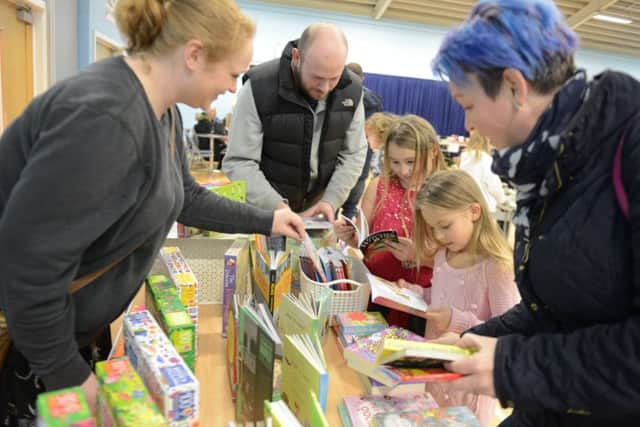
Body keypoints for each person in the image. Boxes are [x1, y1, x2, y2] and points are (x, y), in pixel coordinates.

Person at [0, 0, 305, 423]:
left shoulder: (162, 112)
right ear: (194, 54)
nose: (235, 89)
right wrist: (70, 377)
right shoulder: (104, 119)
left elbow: (188, 197)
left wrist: (268, 219)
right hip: (41, 349)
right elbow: (28, 271)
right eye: (233, 74)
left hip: (75, 333)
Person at [430, 0, 640, 425]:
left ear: (514, 87)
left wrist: (510, 365)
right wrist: (477, 339)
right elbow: (554, 307)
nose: (467, 125)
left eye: (467, 105)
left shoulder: (625, 147)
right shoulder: (545, 165)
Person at [401, 169, 520, 425]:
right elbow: (443, 294)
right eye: (433, 228)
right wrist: (418, 293)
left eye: (445, 226)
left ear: (474, 212)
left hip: (469, 387)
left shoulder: (496, 266)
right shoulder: (444, 255)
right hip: (435, 371)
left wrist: (456, 320)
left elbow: (507, 332)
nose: (439, 236)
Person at [222, 23, 368, 222]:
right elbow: (239, 161)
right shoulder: (258, 87)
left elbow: (353, 154)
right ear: (297, 58)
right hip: (266, 212)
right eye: (317, 77)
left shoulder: (352, 91)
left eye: (333, 78)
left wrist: (330, 201)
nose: (325, 88)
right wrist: (277, 207)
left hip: (320, 212)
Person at [334, 115, 447, 333]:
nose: (403, 171)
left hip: (422, 304)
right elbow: (363, 239)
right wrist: (350, 236)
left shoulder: (445, 193)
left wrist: (420, 256)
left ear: (432, 152)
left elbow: (466, 263)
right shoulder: (379, 186)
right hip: (376, 297)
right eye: (395, 162)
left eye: (411, 162)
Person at [340, 62, 384, 219]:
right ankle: (348, 219)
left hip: (341, 147)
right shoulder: (374, 99)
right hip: (364, 148)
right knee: (359, 179)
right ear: (362, 78)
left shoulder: (336, 95)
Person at [459, 129, 506, 214]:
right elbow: (494, 186)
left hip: (466, 205)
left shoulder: (464, 157)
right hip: (484, 207)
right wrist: (502, 200)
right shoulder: (487, 160)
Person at [366, 112, 397, 178]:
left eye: (368, 136)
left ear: (380, 133)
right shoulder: (377, 151)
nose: (367, 140)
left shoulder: (386, 153)